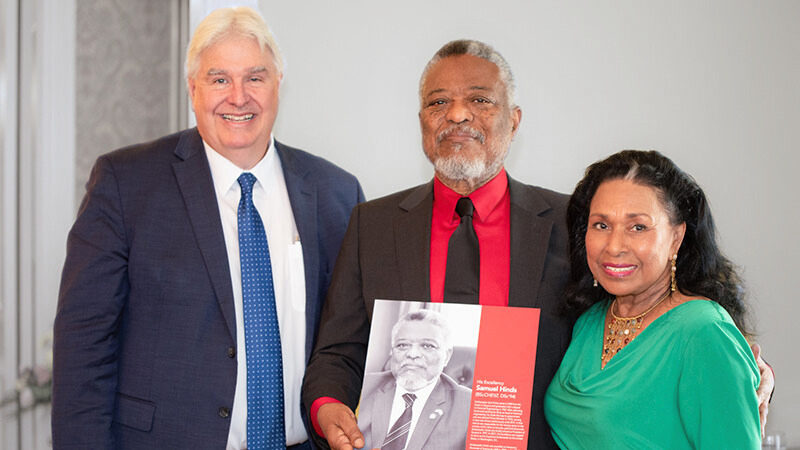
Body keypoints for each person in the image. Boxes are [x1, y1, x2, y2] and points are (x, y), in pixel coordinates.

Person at [301, 40, 774, 450]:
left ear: (515, 119)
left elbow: (659, 317)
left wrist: (745, 368)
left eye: (480, 99)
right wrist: (326, 408)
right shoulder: (372, 224)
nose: (458, 114)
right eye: (438, 102)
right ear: (422, 120)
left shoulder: (577, 225)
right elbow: (336, 352)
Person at [52, 7, 363, 449]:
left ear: (278, 85)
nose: (238, 97)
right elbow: (84, 346)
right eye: (219, 79)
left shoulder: (337, 193)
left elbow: (351, 340)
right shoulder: (126, 184)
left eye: (255, 78)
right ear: (193, 89)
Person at [544, 150, 761, 448]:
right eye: (601, 225)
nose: (614, 246)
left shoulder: (703, 331)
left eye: (638, 227)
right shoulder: (589, 322)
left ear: (676, 237)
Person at [357, 309, 471, 450]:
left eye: (427, 346)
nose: (412, 354)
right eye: (403, 345)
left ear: (446, 356)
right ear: (392, 351)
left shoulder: (470, 406)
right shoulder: (363, 387)